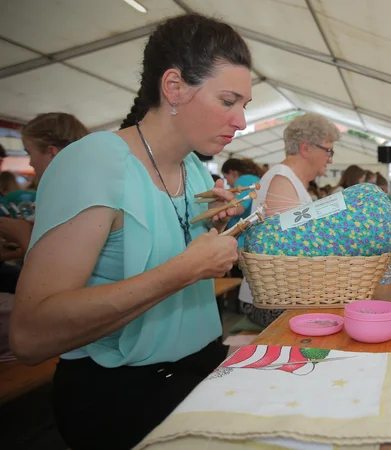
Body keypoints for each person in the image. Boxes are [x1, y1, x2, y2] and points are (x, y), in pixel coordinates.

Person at [10, 15, 252, 450]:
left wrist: (216, 231)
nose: (242, 121)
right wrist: (184, 269)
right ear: (174, 86)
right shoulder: (96, 161)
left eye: (245, 106)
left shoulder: (195, 170)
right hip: (122, 398)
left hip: (195, 370)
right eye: (228, 101)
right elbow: (30, 335)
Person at [238, 113, 340, 327]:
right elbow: (288, 254)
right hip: (269, 302)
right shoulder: (282, 179)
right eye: (328, 151)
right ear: (305, 148)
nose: (330, 159)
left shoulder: (287, 179)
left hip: (278, 296)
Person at [0, 112, 90, 263]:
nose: (30, 163)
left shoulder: (70, 197)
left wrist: (20, 234)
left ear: (51, 152)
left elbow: (58, 265)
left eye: (29, 153)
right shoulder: (81, 186)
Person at [221, 158, 262, 245]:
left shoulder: (244, 180)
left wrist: (222, 206)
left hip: (242, 240)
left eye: (226, 177)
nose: (227, 183)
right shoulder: (255, 179)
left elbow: (238, 208)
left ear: (233, 173)